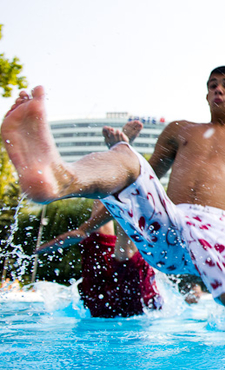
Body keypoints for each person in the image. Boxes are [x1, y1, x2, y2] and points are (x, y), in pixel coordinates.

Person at [2, 66, 225, 323]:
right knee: (127, 158)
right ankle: (61, 179)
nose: (218, 90)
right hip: (168, 228)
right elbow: (140, 181)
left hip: (220, 232)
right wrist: (87, 228)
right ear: (205, 93)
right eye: (212, 85)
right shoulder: (180, 131)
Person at [35, 121, 161, 318]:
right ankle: (120, 155)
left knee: (104, 240)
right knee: (120, 246)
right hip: (122, 305)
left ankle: (119, 155)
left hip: (106, 303)